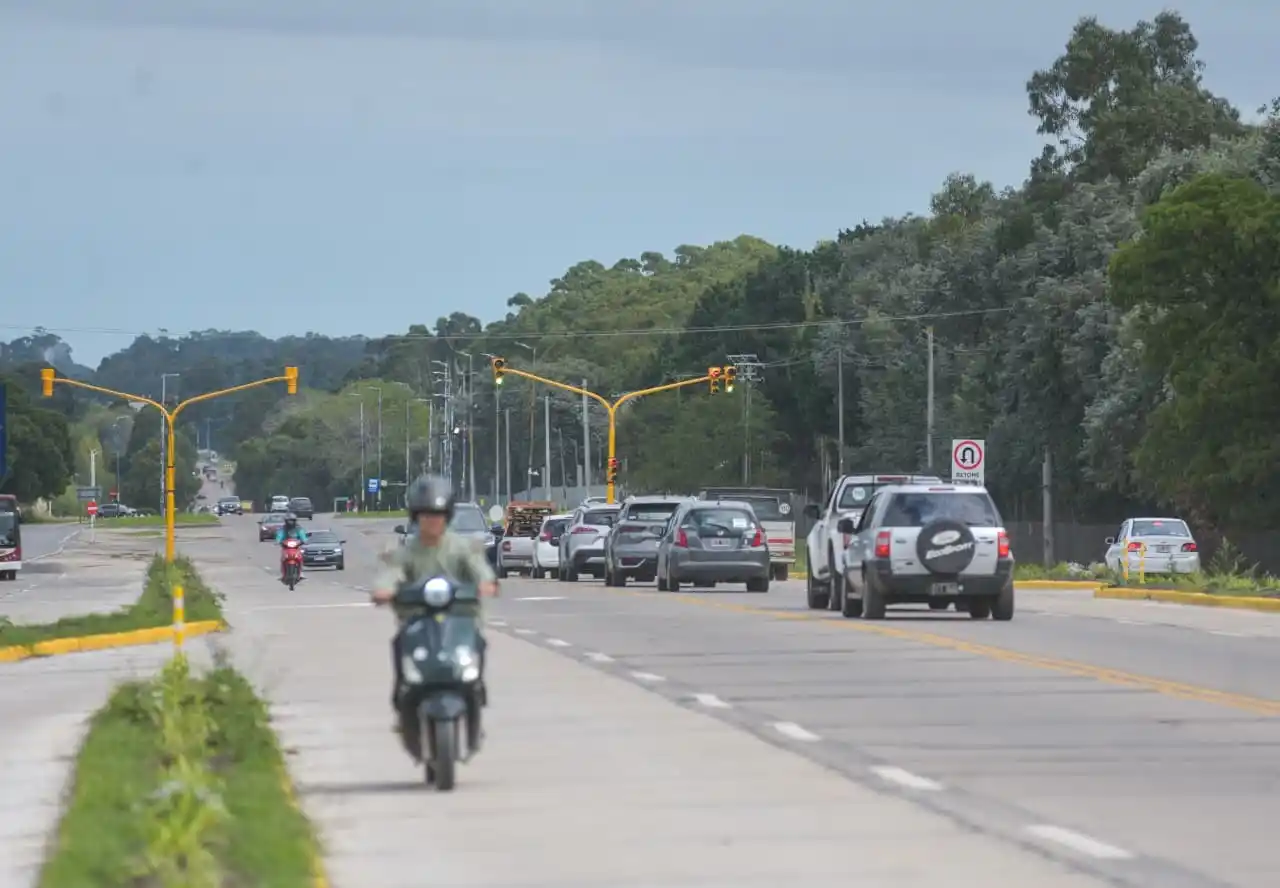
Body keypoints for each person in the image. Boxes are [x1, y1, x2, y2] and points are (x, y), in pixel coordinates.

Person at [371, 475, 499, 725]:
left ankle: (476, 684)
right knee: (399, 644)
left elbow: (479, 570)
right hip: (418, 620)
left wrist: (486, 583)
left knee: (478, 642)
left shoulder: (461, 548)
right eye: (426, 515)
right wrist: (384, 590)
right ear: (415, 517)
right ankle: (402, 689)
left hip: (459, 618)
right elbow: (391, 574)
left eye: (437, 515)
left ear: (447, 516)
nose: (432, 521)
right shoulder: (407, 552)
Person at [275, 513, 309, 581]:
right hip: (286, 547)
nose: (290, 522)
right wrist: (278, 541)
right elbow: (279, 536)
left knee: (300, 558)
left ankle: (301, 572)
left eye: (292, 520)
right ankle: (283, 573)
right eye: (289, 521)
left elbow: (303, 536)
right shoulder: (283, 529)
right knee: (283, 559)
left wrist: (304, 540)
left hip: (296, 547)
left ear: (295, 521)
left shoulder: (298, 528)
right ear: (286, 521)